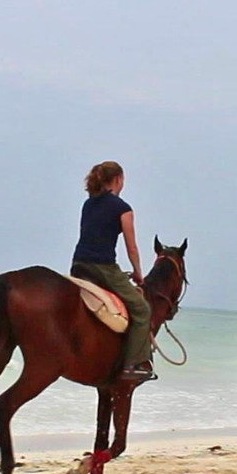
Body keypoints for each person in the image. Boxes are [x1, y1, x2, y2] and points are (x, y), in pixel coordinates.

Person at [71, 161, 155, 383]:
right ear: (118, 179)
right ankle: (133, 364)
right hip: (103, 268)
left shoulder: (88, 204)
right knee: (142, 309)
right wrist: (139, 274)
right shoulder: (122, 208)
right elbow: (132, 247)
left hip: (79, 265)